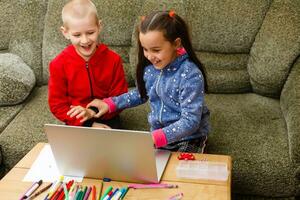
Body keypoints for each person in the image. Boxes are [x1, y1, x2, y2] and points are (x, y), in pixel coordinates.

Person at [86, 10, 210, 153]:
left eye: (156, 50)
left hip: (189, 137)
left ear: (176, 44)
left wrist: (156, 138)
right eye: (145, 49)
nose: (149, 56)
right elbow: (141, 94)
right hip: (158, 135)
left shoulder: (190, 74)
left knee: (178, 173)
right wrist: (110, 104)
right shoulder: (150, 69)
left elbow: (190, 121)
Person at [48, 0, 128, 128]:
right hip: (76, 120)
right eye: (77, 35)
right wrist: (88, 123)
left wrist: (94, 112)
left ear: (99, 26)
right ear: (65, 33)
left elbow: (120, 97)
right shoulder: (58, 64)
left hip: (107, 114)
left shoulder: (114, 60)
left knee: (115, 147)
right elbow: (57, 105)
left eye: (90, 32)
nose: (85, 40)